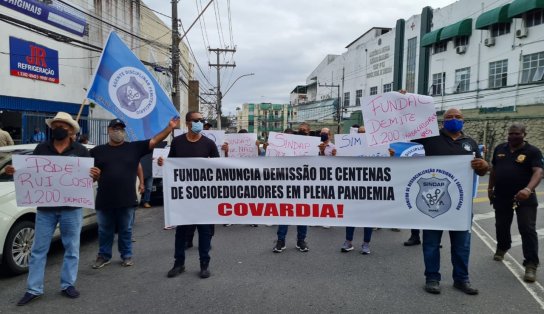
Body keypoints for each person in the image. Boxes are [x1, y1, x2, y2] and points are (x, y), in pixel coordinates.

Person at [5, 112, 100, 306]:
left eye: (63, 126)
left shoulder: (81, 151)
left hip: (71, 208)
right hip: (46, 209)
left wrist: (95, 175)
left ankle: (68, 284)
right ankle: (33, 288)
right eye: (56, 125)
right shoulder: (41, 148)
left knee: (71, 248)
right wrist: (15, 171)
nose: (59, 128)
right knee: (39, 249)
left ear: (71, 130)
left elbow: (89, 178)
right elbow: (31, 172)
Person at [414, 108, 488, 295]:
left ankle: (461, 279)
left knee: (462, 245)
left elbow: (480, 170)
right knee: (431, 243)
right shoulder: (430, 139)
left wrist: (485, 166)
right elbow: (405, 137)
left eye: (457, 117)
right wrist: (403, 101)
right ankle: (432, 278)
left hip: (461, 206)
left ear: (463, 120)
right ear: (442, 121)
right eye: (449, 117)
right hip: (433, 203)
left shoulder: (470, 143)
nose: (453, 119)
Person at [91, 117, 177, 270]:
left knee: (126, 230)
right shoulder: (97, 151)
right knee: (104, 230)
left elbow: (154, 140)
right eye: (115, 128)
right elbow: (87, 174)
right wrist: (93, 175)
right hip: (104, 200)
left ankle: (126, 255)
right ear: (108, 131)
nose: (118, 131)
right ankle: (104, 256)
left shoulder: (133, 148)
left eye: (121, 129)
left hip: (126, 199)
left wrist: (169, 128)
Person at [164, 111, 219, 279]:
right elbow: (170, 163)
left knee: (204, 232)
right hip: (183, 196)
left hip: (203, 196)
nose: (200, 123)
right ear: (188, 123)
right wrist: (163, 163)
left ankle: (204, 264)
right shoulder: (178, 142)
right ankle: (178, 264)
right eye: (196, 120)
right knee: (181, 232)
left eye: (202, 120)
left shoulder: (209, 144)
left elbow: (219, 167)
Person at [488, 123, 543, 282]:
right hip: (501, 196)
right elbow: (494, 170)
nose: (513, 136)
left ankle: (531, 264)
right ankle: (502, 247)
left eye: (517, 134)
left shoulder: (533, 152)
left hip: (524, 198)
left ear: (524, 134)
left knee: (527, 229)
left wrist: (527, 189)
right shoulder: (500, 149)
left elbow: (538, 172)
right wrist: (490, 189)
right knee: (501, 225)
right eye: (511, 133)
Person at [273, 122, 311, 253]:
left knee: (302, 214)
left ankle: (301, 240)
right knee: (284, 213)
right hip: (286, 186)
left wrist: (322, 150)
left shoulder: (313, 146)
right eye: (300, 130)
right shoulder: (287, 146)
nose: (302, 131)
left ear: (309, 132)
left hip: (304, 187)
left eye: (304, 131)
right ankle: (281, 241)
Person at [340, 125, 373, 254]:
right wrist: (336, 155)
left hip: (370, 189)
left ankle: (366, 243)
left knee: (368, 217)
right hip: (353, 188)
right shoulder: (349, 148)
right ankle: (348, 242)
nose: (361, 135)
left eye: (364, 132)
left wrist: (390, 155)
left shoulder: (375, 149)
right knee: (351, 216)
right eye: (359, 132)